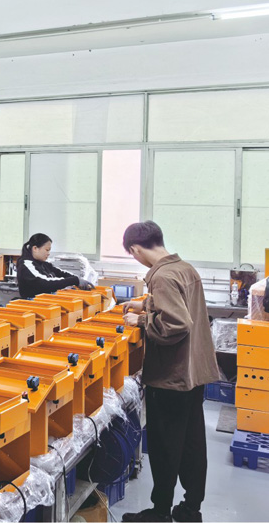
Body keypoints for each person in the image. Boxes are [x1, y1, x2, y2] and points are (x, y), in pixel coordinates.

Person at [120, 221, 220, 523]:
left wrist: (141, 321)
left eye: (132, 254)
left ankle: (160, 512)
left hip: (171, 378)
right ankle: (190, 509)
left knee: (165, 447)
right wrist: (146, 304)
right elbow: (180, 304)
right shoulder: (184, 268)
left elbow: (177, 323)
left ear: (135, 249)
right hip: (194, 374)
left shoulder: (161, 276)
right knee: (192, 444)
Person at [16, 233, 94, 298]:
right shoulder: (26, 265)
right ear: (35, 248)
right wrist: (74, 280)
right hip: (33, 304)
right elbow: (44, 283)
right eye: (47, 250)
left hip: (47, 302)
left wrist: (78, 279)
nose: (48, 253)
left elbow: (61, 273)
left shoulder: (44, 264)